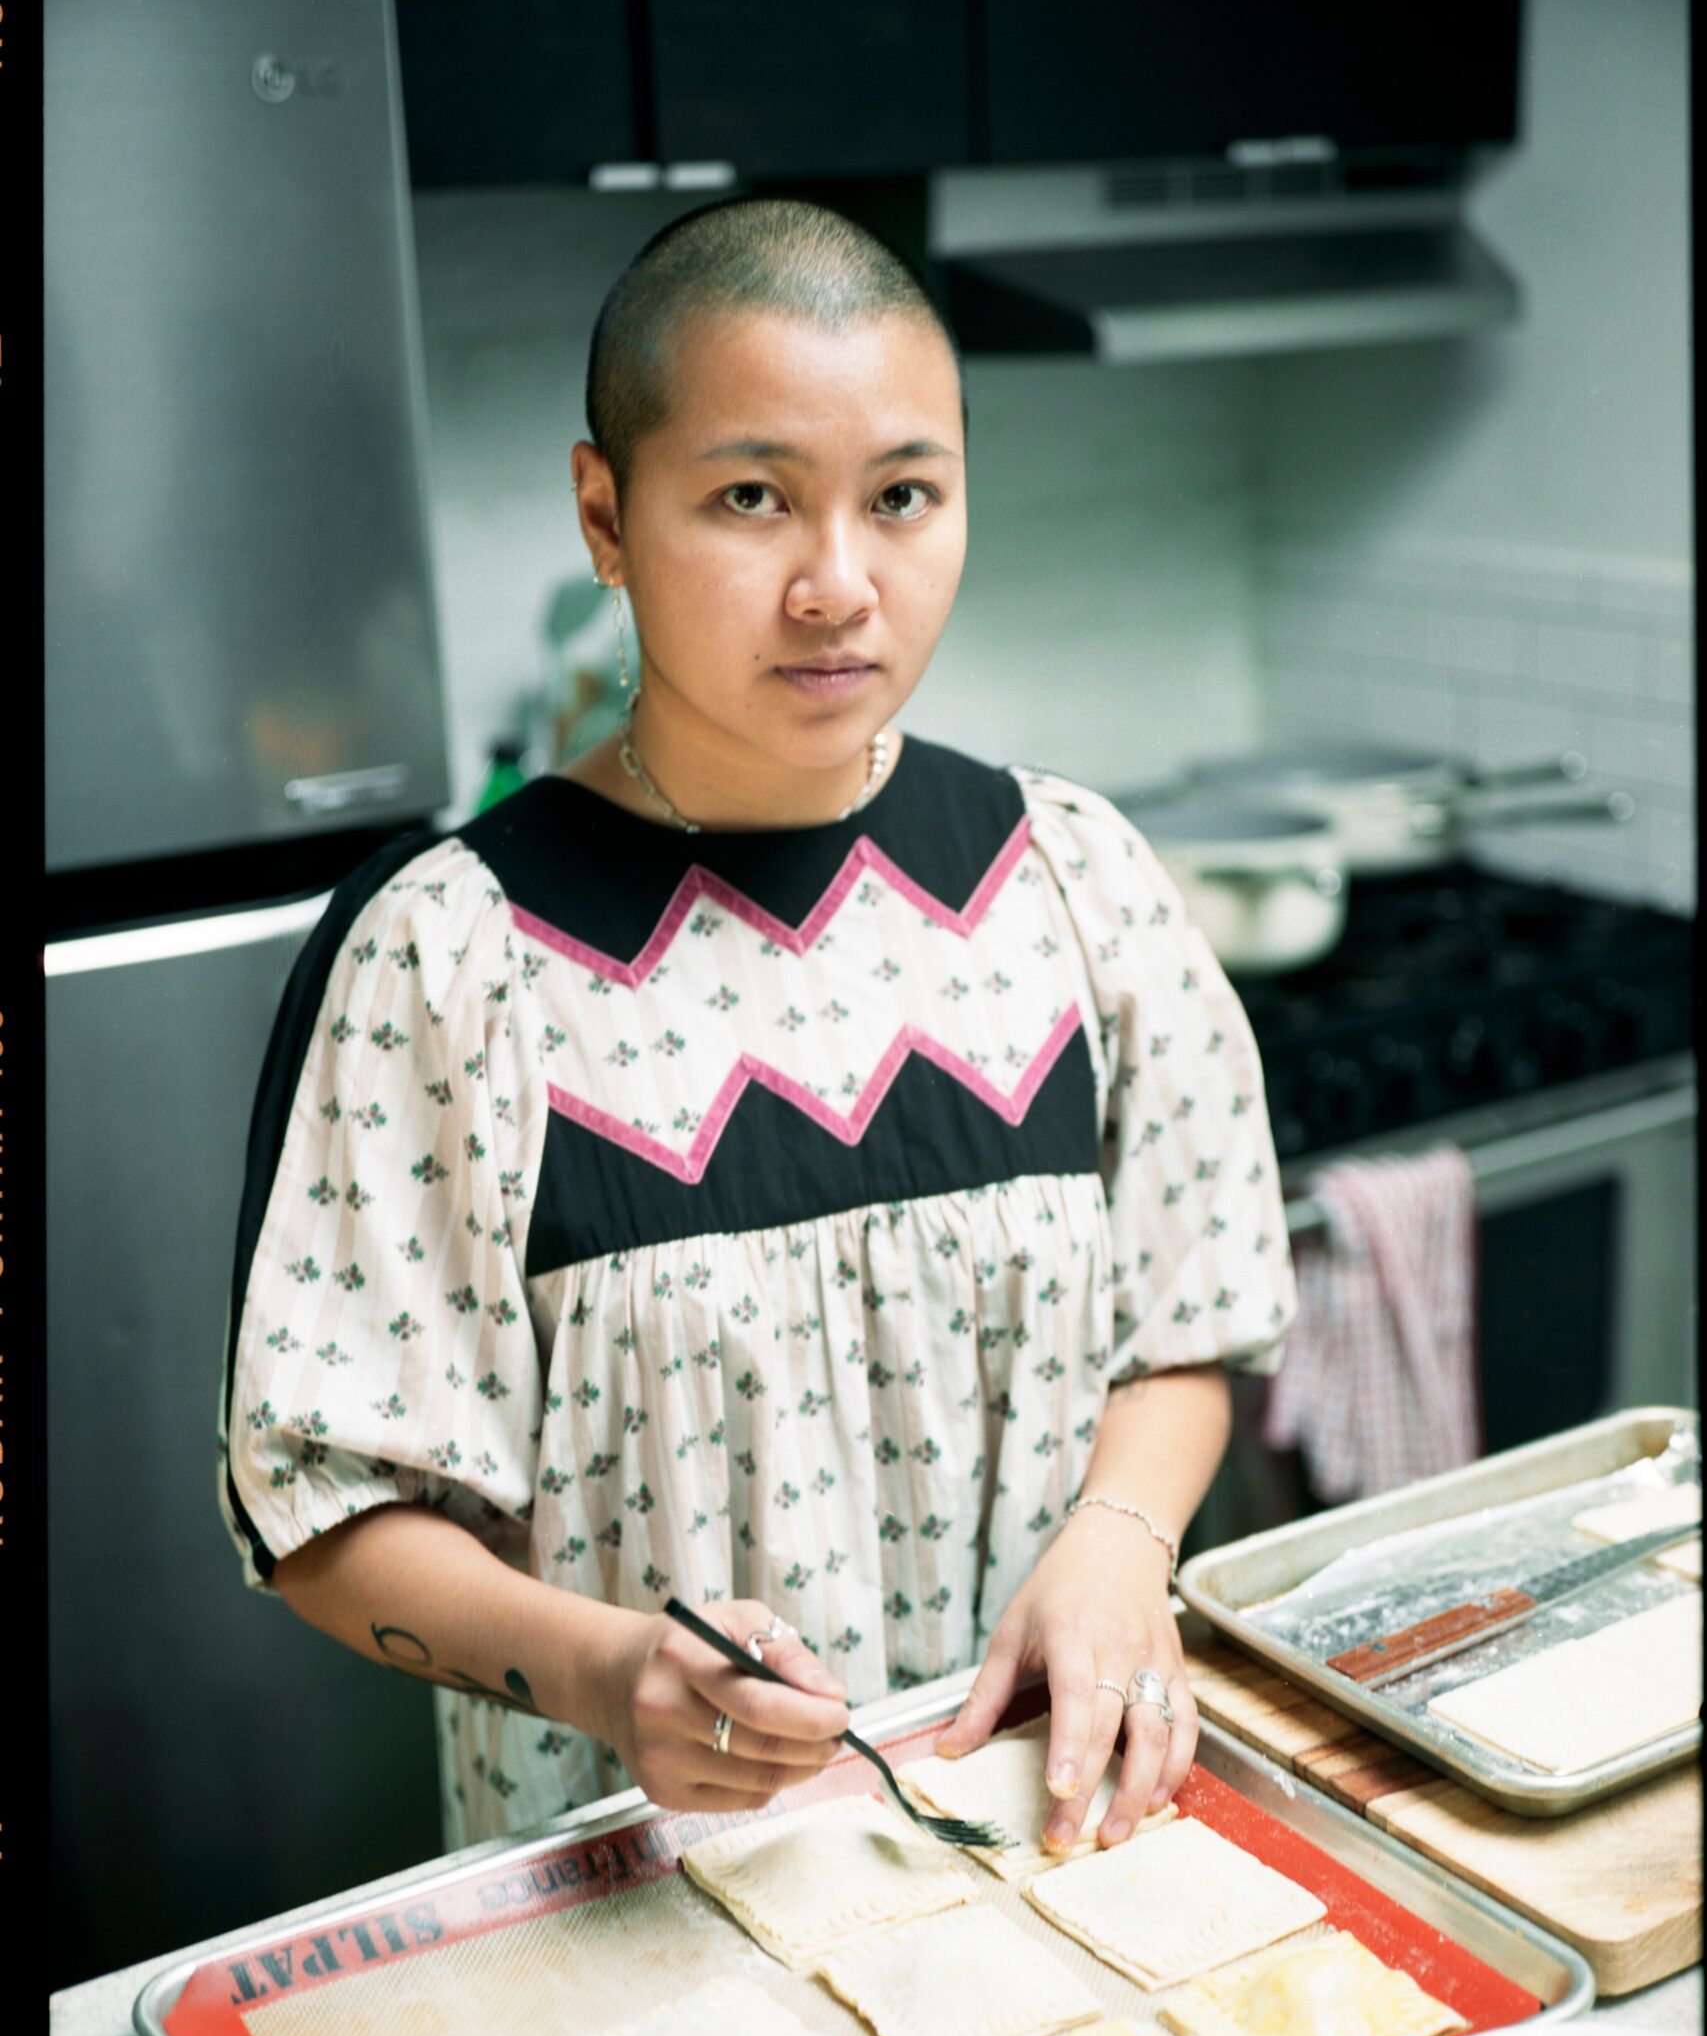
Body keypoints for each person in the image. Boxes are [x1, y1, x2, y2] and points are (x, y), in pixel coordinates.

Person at [219, 197, 1297, 1862]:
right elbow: (322, 1504)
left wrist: (1120, 1537)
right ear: (605, 513)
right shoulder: (451, 957)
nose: (838, 587)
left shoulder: (1070, 877)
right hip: (640, 1892)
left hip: (1047, 1836)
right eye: (751, 499)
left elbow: (1191, 1316)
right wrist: (608, 1673)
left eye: (903, 498)